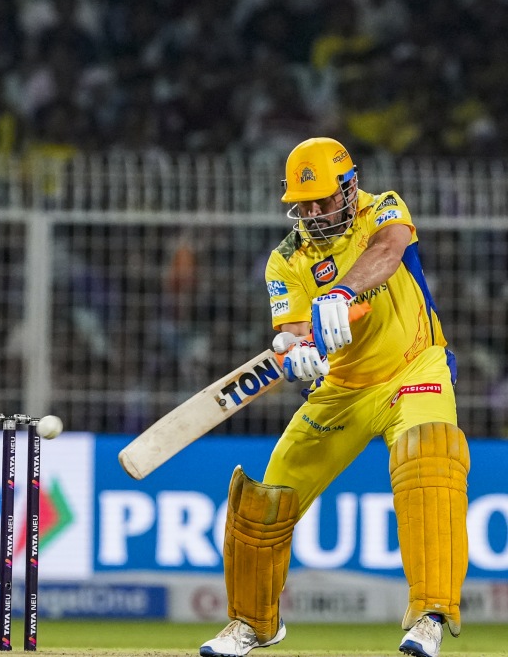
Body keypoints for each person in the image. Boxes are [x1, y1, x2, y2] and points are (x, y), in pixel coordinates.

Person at [199, 138, 467, 657]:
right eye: (303, 205)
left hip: (414, 366)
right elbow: (295, 332)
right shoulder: (285, 260)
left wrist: (340, 292)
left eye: (323, 200)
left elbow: (388, 250)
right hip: (341, 390)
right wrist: (301, 353)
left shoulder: (382, 207)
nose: (313, 213)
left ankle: (430, 614)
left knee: (430, 457)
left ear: (349, 187)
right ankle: (253, 623)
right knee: (265, 502)